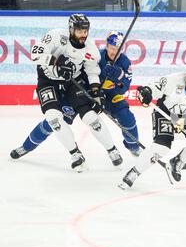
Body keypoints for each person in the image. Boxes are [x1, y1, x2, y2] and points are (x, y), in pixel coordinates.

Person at [9, 31, 141, 163]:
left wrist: (119, 77)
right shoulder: (97, 56)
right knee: (55, 120)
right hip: (86, 93)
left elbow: (124, 88)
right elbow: (82, 75)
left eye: (118, 49)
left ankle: (133, 146)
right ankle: (26, 146)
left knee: (126, 117)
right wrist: (93, 90)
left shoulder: (125, 62)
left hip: (110, 96)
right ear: (106, 45)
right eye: (112, 48)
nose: (114, 52)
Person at [20, 14, 123, 172]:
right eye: (79, 31)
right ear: (71, 29)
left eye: (85, 31)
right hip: (48, 79)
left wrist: (96, 93)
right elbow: (34, 54)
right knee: (53, 118)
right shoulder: (56, 36)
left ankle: (112, 150)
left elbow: (92, 71)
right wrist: (56, 61)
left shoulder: (91, 50)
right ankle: (75, 155)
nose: (83, 34)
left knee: (91, 117)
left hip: (72, 81)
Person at [120, 61, 186, 188]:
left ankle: (177, 162)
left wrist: (185, 121)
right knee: (162, 147)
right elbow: (153, 87)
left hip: (185, 117)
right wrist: (146, 93)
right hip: (165, 112)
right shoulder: (174, 80)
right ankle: (134, 172)